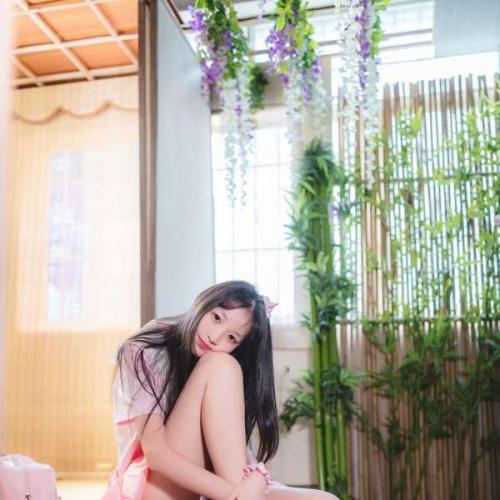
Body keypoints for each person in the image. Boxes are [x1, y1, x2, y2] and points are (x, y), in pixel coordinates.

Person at [111, 280, 338, 500]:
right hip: (154, 488)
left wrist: (257, 475)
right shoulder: (144, 349)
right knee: (220, 364)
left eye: (231, 337)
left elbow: (232, 446)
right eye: (217, 317)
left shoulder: (215, 364)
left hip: (213, 487)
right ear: (204, 302)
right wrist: (236, 495)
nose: (214, 337)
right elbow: (156, 455)